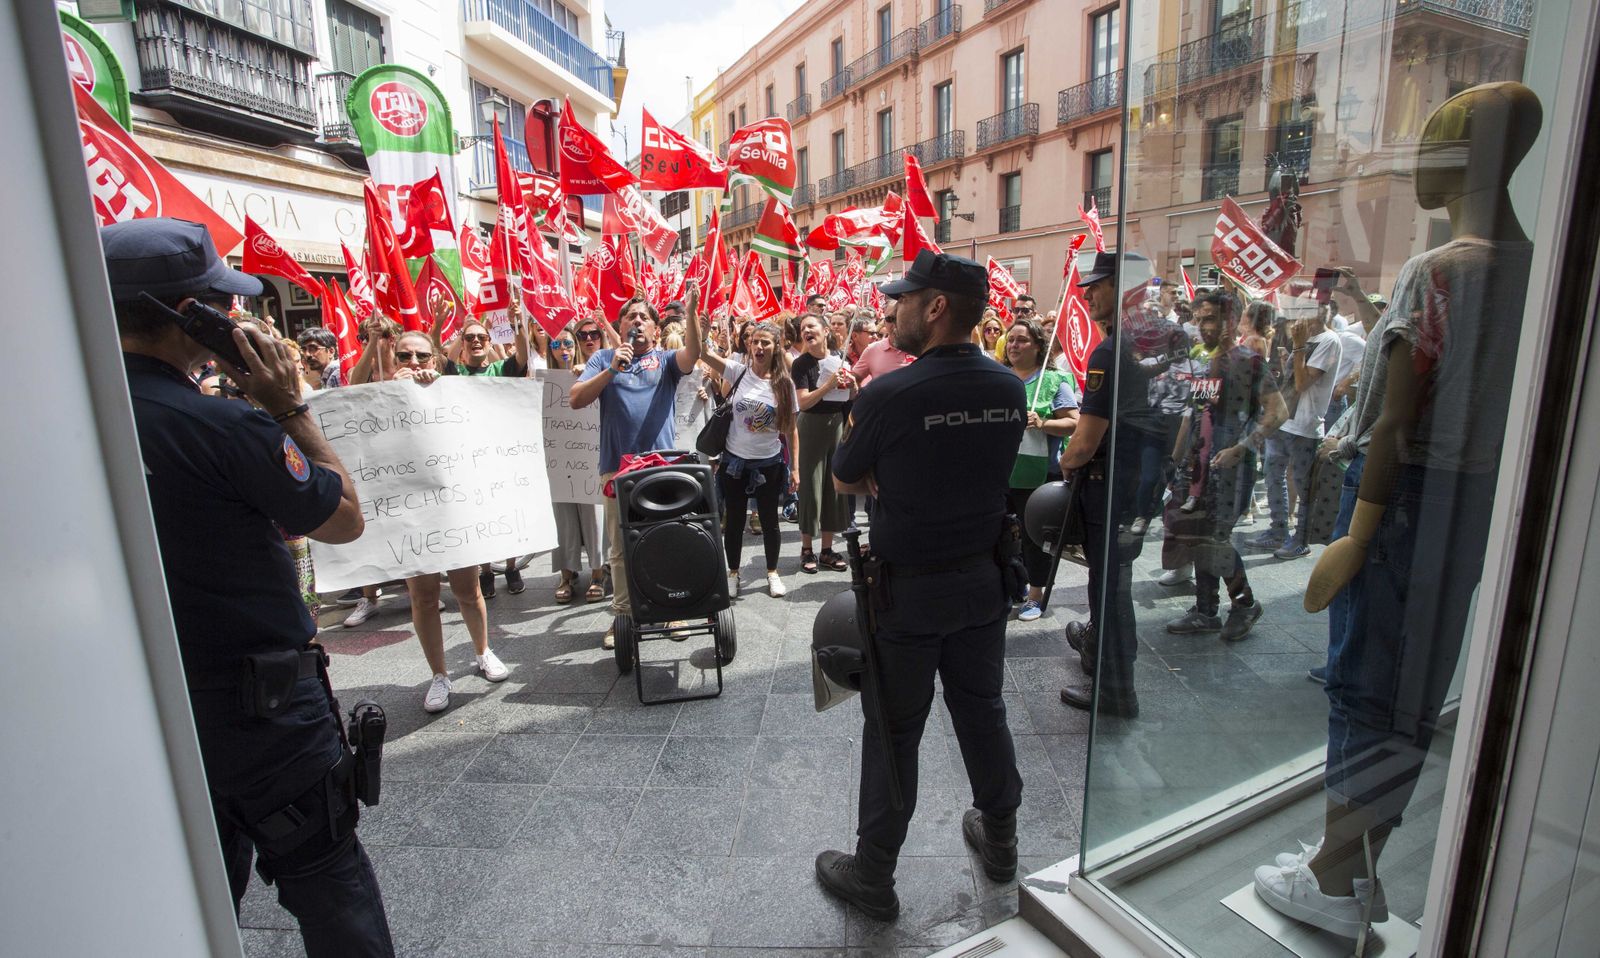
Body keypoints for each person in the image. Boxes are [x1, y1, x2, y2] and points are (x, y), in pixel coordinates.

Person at [105, 218, 394, 955]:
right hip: (267, 724)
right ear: (186, 316)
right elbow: (343, 517)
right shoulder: (226, 428)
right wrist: (289, 407)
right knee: (333, 893)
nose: (235, 318)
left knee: (191, 904)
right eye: (218, 303)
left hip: (144, 712)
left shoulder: (68, 419)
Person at [814, 250, 1026, 922]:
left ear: (935, 308)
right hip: (983, 582)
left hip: (907, 595)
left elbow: (845, 474)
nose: (891, 310)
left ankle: (874, 871)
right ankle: (1002, 840)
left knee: (893, 729)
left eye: (904, 299)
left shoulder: (891, 393)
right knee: (982, 710)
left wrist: (883, 467)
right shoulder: (1007, 387)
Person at [1057, 251, 1164, 718]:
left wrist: (1067, 463)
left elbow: (1085, 439)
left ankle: (1117, 689)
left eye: (1099, 284)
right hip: (1141, 479)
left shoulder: (1112, 348)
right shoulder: (1159, 340)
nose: (1087, 292)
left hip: (1111, 484)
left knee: (1109, 588)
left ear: (1125, 288)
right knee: (1117, 582)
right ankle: (1106, 662)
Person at [384, 330, 510, 711]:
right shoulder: (379, 397)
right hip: (410, 510)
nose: (414, 364)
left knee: (467, 590)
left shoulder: (452, 391)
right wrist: (392, 392)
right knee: (423, 597)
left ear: (435, 360)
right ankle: (440, 675)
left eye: (421, 356)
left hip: (452, 504)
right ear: (394, 362)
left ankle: (483, 650)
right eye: (404, 356)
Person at [570, 294, 702, 649]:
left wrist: (691, 315)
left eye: (645, 317)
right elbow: (576, 398)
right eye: (631, 317)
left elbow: (693, 354)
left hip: (660, 468)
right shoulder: (602, 358)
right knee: (620, 548)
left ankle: (672, 608)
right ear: (621, 326)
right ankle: (624, 615)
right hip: (617, 470)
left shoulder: (665, 361)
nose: (638, 322)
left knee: (667, 538)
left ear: (656, 331)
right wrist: (612, 369)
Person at [1161, 292, 1284, 642]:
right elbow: (1193, 415)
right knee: (1200, 537)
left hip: (1229, 471)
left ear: (1231, 321)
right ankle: (1205, 610)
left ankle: (1244, 605)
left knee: (1216, 541)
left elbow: (1278, 412)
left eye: (1210, 319)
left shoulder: (1248, 360)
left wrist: (1240, 448)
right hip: (1197, 471)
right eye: (1198, 319)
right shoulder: (1203, 360)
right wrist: (1175, 462)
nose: (1202, 327)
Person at [695, 316, 800, 596]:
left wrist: (796, 469)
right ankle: (733, 572)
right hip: (734, 463)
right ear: (749, 345)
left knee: (769, 521)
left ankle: (772, 572)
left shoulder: (784, 384)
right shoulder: (736, 371)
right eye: (755, 342)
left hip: (769, 463)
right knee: (736, 520)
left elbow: (791, 430)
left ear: (776, 347)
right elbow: (703, 353)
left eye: (765, 342)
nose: (759, 347)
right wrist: (704, 331)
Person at [1248, 303, 1341, 558]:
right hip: (1284, 421)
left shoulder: (1328, 341)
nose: (1298, 319)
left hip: (1305, 425)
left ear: (1321, 315)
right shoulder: (1305, 339)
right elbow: (1291, 378)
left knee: (1303, 485)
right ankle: (1278, 529)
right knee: (1272, 475)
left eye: (1305, 313)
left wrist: (1298, 346)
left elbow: (1302, 383)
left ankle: (1301, 539)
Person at [1002, 316, 1079, 621]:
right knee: (1004, 533)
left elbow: (1073, 422)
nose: (1013, 345)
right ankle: (1012, 586)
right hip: (1002, 470)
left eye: (1021, 340)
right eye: (1011, 340)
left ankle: (1036, 594)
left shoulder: (1053, 381)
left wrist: (1044, 423)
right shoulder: (1001, 377)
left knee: (1034, 536)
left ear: (1038, 346)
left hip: (1037, 474)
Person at [547, 323, 607, 605]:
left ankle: (597, 573)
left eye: (568, 344)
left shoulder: (592, 372)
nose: (564, 349)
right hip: (558, 460)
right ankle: (566, 573)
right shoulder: (543, 380)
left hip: (588, 457)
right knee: (563, 519)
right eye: (556, 345)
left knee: (593, 516)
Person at [792, 313, 856, 574]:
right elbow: (804, 402)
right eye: (803, 328)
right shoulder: (801, 365)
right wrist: (829, 383)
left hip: (836, 425)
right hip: (811, 427)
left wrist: (853, 385)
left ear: (826, 331)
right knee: (810, 487)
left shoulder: (842, 358)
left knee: (832, 487)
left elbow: (852, 396)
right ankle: (807, 549)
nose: (806, 331)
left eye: (811, 326)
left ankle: (827, 549)